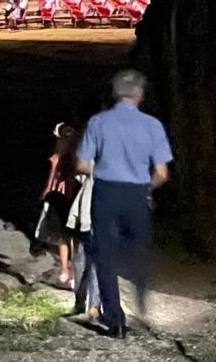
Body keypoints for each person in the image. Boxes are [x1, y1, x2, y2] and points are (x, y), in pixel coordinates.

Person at [76, 69, 172, 339]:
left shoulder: (98, 122)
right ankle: (141, 294)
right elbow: (162, 173)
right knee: (139, 247)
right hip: (136, 194)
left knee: (104, 255)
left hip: (106, 192)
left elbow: (82, 164)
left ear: (115, 93)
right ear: (140, 95)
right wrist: (148, 187)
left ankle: (115, 320)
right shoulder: (153, 126)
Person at [37, 123, 80, 285]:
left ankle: (65, 270)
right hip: (70, 195)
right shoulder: (75, 153)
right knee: (71, 236)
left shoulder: (61, 155)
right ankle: (71, 271)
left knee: (64, 236)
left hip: (62, 195)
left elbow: (53, 176)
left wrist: (47, 191)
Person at [67, 169, 101, 320]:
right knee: (85, 261)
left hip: (93, 211)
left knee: (87, 261)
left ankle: (90, 305)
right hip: (93, 209)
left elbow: (80, 171)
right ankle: (88, 304)